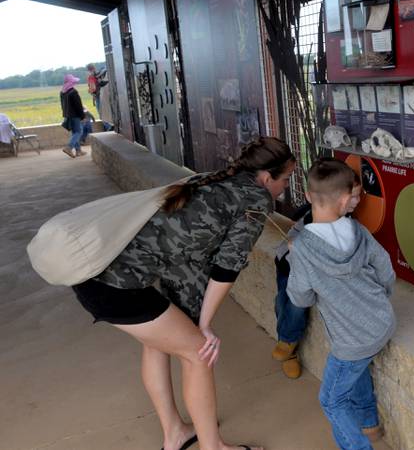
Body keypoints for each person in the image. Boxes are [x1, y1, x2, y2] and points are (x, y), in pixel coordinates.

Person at [72, 136, 295, 450]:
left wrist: (196, 320)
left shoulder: (209, 181)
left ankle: (175, 433)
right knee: (198, 353)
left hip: (97, 278)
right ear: (267, 177)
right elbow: (226, 268)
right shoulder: (256, 200)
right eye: (286, 179)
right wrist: (204, 327)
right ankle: (212, 447)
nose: (285, 187)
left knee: (158, 344)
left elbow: (185, 251)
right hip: (116, 289)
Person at [287, 159, 394, 450]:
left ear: (308, 197)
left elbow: (300, 297)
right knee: (354, 371)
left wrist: (296, 258)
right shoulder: (358, 231)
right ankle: (369, 424)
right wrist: (379, 300)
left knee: (331, 400)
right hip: (381, 322)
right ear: (347, 199)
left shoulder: (302, 248)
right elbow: (385, 269)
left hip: (351, 338)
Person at [272, 171, 362, 379]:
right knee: (286, 301)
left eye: (359, 195)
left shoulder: (345, 221)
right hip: (288, 264)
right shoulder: (320, 218)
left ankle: (286, 343)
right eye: (353, 196)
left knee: (294, 302)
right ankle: (288, 346)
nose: (357, 201)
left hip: (308, 270)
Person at [60, 74, 85, 158]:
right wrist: (82, 116)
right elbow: (78, 106)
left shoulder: (62, 92)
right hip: (75, 115)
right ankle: (69, 147)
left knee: (75, 132)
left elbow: (62, 105)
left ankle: (78, 151)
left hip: (68, 115)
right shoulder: (73, 92)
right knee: (79, 132)